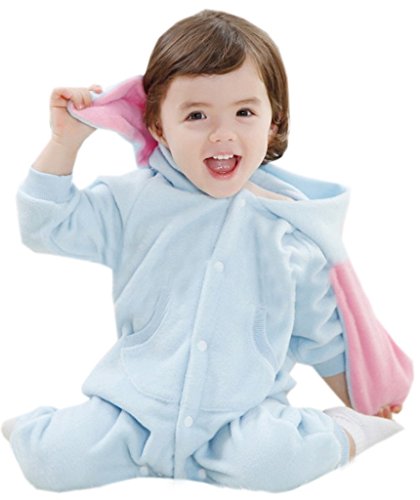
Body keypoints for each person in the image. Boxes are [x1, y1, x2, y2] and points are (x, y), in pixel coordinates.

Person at [2, 9, 413, 493]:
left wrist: (364, 399)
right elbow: (47, 226)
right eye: (196, 115)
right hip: (132, 412)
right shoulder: (132, 201)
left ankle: (345, 433)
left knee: (274, 461)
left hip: (237, 421)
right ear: (159, 126)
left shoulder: (288, 232)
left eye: (244, 113)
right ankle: (36, 429)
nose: (222, 133)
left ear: (274, 122)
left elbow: (322, 334)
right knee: (51, 462)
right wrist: (64, 142)